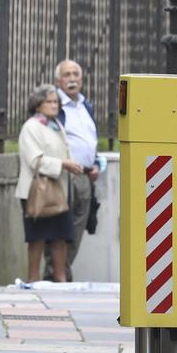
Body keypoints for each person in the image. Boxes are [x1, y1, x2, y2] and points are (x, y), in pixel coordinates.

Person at [16, 83, 83, 284]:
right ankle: (33, 279)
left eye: (56, 102)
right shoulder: (31, 127)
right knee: (37, 238)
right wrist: (63, 164)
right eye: (49, 102)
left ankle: (60, 278)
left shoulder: (56, 126)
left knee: (60, 236)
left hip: (59, 191)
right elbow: (35, 160)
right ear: (38, 105)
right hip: (37, 191)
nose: (54, 106)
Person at [54, 59, 101, 275]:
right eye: (67, 75)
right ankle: (54, 274)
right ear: (58, 80)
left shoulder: (85, 105)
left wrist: (97, 163)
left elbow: (90, 140)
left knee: (77, 230)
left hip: (85, 176)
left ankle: (62, 272)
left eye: (75, 74)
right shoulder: (54, 105)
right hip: (64, 174)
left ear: (81, 79)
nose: (72, 79)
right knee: (60, 229)